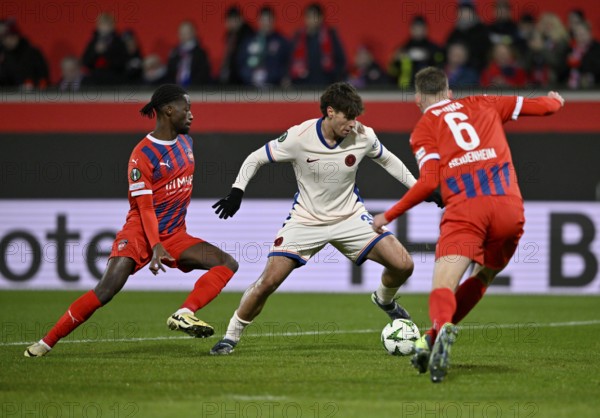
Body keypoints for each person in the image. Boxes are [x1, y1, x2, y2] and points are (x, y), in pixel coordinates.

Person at [209, 81, 443, 355]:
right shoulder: (299, 137)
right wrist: (237, 191)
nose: (352, 124)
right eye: (347, 117)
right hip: (306, 220)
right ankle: (230, 337)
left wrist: (419, 188)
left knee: (403, 265)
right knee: (268, 282)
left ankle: (385, 300)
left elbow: (389, 160)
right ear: (330, 112)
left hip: (350, 218)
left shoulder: (363, 135)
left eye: (356, 117)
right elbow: (255, 158)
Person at [372, 67, 564, 383]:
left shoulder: (423, 129)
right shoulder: (484, 101)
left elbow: (429, 181)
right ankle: (432, 337)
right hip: (508, 207)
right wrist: (555, 101)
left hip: (466, 211)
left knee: (443, 287)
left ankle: (441, 327)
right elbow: (542, 107)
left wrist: (388, 215)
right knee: (484, 274)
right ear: (449, 92)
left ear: (418, 98)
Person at [24, 84, 239, 357]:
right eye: (187, 109)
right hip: (139, 233)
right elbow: (145, 208)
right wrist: (155, 244)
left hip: (174, 234)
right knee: (106, 289)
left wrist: (164, 241)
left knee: (227, 263)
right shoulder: (142, 155)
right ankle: (45, 343)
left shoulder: (187, 143)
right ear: (168, 110)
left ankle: (184, 313)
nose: (191, 115)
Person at [289, 3, 347, 86]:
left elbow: (341, 60)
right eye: (308, 16)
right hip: (302, 85)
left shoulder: (330, 35)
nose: (311, 20)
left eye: (314, 16)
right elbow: (289, 61)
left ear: (321, 17)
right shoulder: (298, 37)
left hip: (326, 84)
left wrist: (333, 76)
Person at [238, 6, 290, 88]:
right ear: (259, 20)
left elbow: (286, 65)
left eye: (269, 20)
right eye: (263, 20)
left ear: (273, 20)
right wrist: (251, 76)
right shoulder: (249, 41)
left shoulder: (282, 42)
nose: (266, 23)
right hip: (250, 88)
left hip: (275, 88)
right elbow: (241, 63)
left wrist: (269, 77)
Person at [388, 15, 444, 89]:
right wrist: (395, 60)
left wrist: (430, 57)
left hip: (428, 89)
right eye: (416, 28)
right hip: (405, 89)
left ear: (426, 29)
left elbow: (441, 66)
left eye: (421, 28)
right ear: (411, 29)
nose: (418, 31)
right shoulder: (403, 49)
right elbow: (393, 72)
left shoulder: (434, 49)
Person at [0, 19, 49, 89]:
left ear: (17, 36)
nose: (8, 41)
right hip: (9, 97)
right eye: (4, 38)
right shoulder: (3, 56)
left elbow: (43, 76)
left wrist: (33, 84)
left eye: (11, 37)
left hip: (33, 96)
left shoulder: (33, 53)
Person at [81, 12, 128, 85]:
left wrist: (105, 52)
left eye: (107, 24)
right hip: (95, 81)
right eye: (102, 24)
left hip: (114, 80)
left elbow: (122, 62)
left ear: (113, 26)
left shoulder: (118, 41)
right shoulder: (93, 42)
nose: (105, 27)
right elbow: (85, 62)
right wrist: (95, 52)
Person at [167, 21, 211, 87]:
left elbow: (203, 73)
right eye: (181, 33)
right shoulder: (174, 52)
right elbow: (170, 71)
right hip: (176, 89)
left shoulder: (200, 53)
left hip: (195, 89)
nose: (183, 35)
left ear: (194, 33)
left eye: (186, 32)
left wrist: (192, 87)